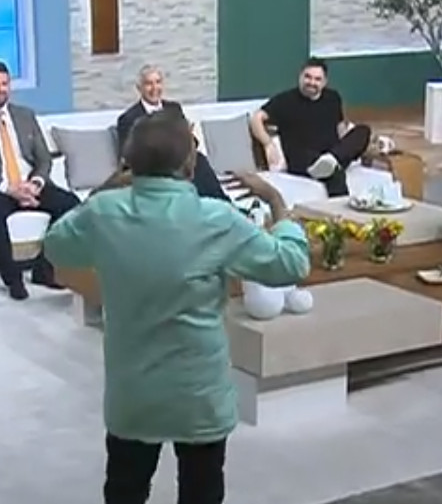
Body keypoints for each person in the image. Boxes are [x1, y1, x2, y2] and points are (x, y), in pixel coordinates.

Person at [42, 111, 310, 504]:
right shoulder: (217, 218)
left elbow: (56, 246)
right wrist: (275, 201)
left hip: (133, 394)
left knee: (125, 491)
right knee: (202, 492)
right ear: (190, 163)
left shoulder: (103, 213)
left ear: (129, 162)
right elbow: (292, 264)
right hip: (199, 394)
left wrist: (107, 187)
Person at [0, 60, 79, 300]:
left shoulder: (25, 115)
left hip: (28, 183)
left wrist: (35, 184)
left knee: (71, 204)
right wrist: (8, 188)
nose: (0, 89)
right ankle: (13, 279)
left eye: (4, 83)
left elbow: (43, 158)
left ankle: (44, 269)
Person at [250, 57, 371, 197]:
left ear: (325, 82)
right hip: (303, 157)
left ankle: (332, 159)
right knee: (334, 173)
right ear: (300, 77)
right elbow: (256, 118)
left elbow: (340, 128)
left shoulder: (333, 98)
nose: (312, 82)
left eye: (317, 79)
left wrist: (346, 146)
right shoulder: (285, 100)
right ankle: (339, 205)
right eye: (308, 77)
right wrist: (268, 143)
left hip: (331, 152)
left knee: (363, 130)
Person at [115, 65, 228, 201]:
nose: (154, 88)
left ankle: (221, 202)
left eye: (158, 82)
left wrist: (188, 135)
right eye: (149, 84)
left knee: (199, 160)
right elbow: (128, 156)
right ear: (139, 88)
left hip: (177, 162)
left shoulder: (174, 108)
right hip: (152, 168)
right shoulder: (128, 118)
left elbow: (189, 142)